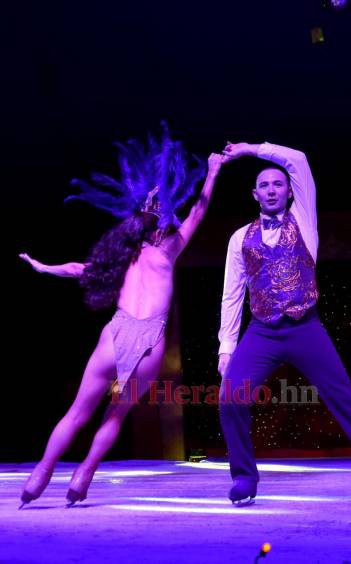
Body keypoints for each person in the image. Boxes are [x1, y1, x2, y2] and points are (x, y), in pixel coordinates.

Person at [19, 127, 224, 508]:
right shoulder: (171, 250)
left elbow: (78, 268)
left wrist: (42, 268)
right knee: (115, 416)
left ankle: (41, 474)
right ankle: (84, 475)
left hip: (116, 333)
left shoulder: (123, 254)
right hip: (149, 341)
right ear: (163, 221)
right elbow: (200, 208)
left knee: (77, 413)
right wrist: (212, 171)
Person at [217, 141, 351, 506]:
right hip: (262, 331)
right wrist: (226, 348)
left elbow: (298, 160)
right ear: (254, 194)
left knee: (343, 398)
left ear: (290, 190)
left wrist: (249, 149)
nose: (272, 189)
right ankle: (244, 478)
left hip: (306, 327)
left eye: (278, 183)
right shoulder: (238, 239)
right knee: (230, 396)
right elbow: (232, 295)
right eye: (264, 185)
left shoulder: (304, 218)